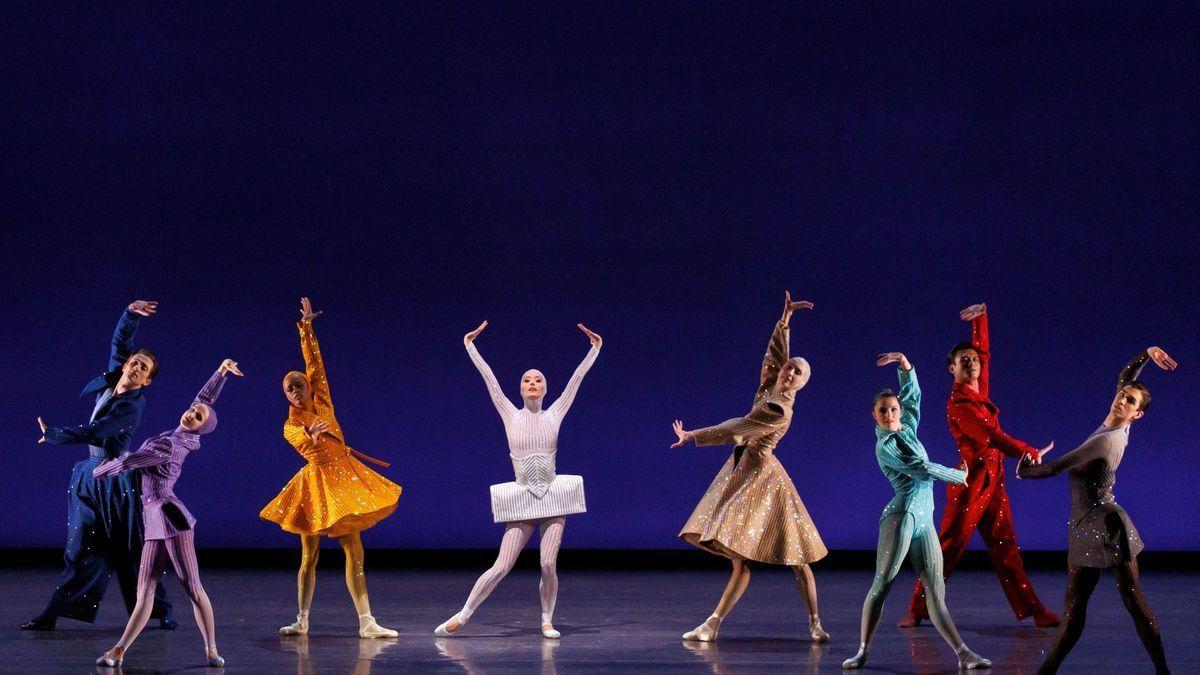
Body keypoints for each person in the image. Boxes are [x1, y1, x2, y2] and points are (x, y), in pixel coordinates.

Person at [672, 292, 829, 643]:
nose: (789, 372)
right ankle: (712, 625)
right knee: (741, 560)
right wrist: (785, 321)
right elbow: (774, 357)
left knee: (797, 556)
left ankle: (815, 622)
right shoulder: (771, 385)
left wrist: (694, 436)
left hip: (763, 478)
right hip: (744, 471)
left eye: (797, 373)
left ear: (802, 384)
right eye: (790, 368)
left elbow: (736, 429)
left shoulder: (778, 409)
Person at [435, 320, 601, 639]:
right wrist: (470, 346)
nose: (532, 383)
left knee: (548, 564)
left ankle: (546, 619)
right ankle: (463, 615)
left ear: (545, 388)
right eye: (527, 380)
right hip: (523, 498)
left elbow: (576, 379)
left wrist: (595, 348)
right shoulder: (510, 414)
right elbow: (489, 378)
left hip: (553, 497)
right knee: (501, 566)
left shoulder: (555, 414)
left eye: (538, 380)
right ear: (521, 388)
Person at [1017, 346, 1176, 674]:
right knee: (1073, 612)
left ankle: (1164, 672)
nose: (1121, 400)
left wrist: (1024, 470)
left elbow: (1053, 469)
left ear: (1137, 415)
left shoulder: (1105, 441)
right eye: (1122, 395)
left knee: (1134, 603)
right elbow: (1125, 378)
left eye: (1130, 402)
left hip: (1106, 525)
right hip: (1084, 525)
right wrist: (1146, 354)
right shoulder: (1116, 425)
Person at [902, 303, 1059, 627]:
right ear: (952, 369)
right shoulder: (960, 405)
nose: (972, 363)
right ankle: (917, 608)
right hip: (969, 483)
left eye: (973, 359)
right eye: (964, 361)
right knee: (948, 548)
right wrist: (1028, 451)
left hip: (993, 481)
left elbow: (983, 352)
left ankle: (1034, 610)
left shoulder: (979, 389)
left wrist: (980, 320)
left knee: (1006, 547)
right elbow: (990, 436)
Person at [22, 301, 174, 631]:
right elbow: (120, 343)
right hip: (88, 477)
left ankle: (159, 609)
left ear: (146, 381)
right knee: (79, 548)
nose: (135, 367)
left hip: (116, 481)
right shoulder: (112, 380)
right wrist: (131, 314)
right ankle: (54, 612)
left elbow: (95, 431)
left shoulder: (132, 408)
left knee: (129, 550)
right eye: (135, 362)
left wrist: (54, 435)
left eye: (143, 368)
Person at [260, 298, 401, 639]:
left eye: (298, 386)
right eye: (288, 389)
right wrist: (311, 432)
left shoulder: (322, 401)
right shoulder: (290, 425)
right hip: (316, 483)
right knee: (309, 556)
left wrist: (307, 329)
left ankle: (367, 620)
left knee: (355, 548)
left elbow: (315, 364)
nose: (294, 392)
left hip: (344, 479)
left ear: (308, 387)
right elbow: (304, 443)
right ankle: (302, 619)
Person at [843, 353, 990, 670]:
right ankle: (863, 651)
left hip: (923, 519)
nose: (890, 414)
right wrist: (958, 476)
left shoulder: (907, 428)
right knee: (883, 583)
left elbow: (913, 399)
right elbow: (921, 468)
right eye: (883, 411)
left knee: (936, 590)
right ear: (875, 416)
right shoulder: (887, 446)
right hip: (902, 517)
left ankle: (964, 654)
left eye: (893, 409)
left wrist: (905, 366)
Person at [95, 359, 244, 669]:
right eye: (191, 412)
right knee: (144, 590)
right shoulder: (177, 432)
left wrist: (102, 470)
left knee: (192, 585)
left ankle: (211, 649)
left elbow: (131, 461)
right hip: (153, 518)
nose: (191, 413)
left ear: (201, 428)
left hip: (171, 518)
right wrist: (220, 372)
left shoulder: (173, 446)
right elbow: (203, 400)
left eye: (197, 417)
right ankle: (119, 650)